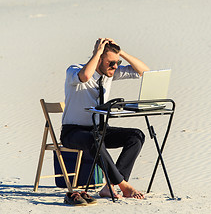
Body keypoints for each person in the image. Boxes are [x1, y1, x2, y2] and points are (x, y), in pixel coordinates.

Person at [61, 38, 150, 199]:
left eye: (117, 62)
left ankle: (110, 186)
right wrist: (97, 52)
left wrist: (119, 52)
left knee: (136, 136)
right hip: (73, 132)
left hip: (99, 130)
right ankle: (123, 185)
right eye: (110, 62)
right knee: (94, 139)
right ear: (99, 58)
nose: (115, 66)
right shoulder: (74, 70)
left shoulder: (111, 73)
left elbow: (144, 72)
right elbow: (86, 76)